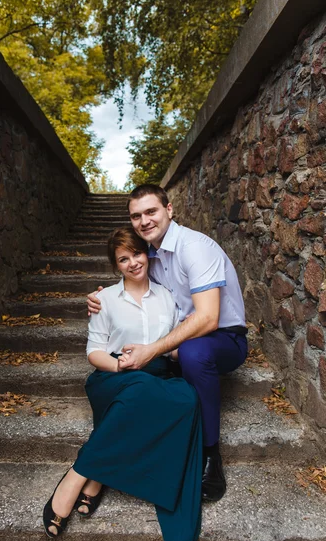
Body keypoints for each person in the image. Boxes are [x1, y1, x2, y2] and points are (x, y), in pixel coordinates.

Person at [43, 227, 202, 541]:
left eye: (137, 254)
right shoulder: (105, 299)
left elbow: (174, 346)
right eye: (123, 259)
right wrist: (122, 367)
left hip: (157, 373)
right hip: (113, 374)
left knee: (187, 399)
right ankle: (77, 477)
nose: (133, 263)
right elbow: (94, 351)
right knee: (138, 389)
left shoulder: (168, 296)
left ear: (148, 254)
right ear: (116, 266)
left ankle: (95, 471)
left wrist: (169, 353)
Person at [87, 184, 248, 502]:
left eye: (151, 211)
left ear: (169, 210)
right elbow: (135, 284)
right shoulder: (151, 255)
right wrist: (99, 298)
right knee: (153, 373)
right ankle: (112, 458)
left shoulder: (194, 247)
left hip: (223, 338)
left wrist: (154, 349)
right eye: (136, 215)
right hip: (181, 340)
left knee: (190, 352)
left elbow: (207, 319)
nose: (144, 221)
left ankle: (210, 455)